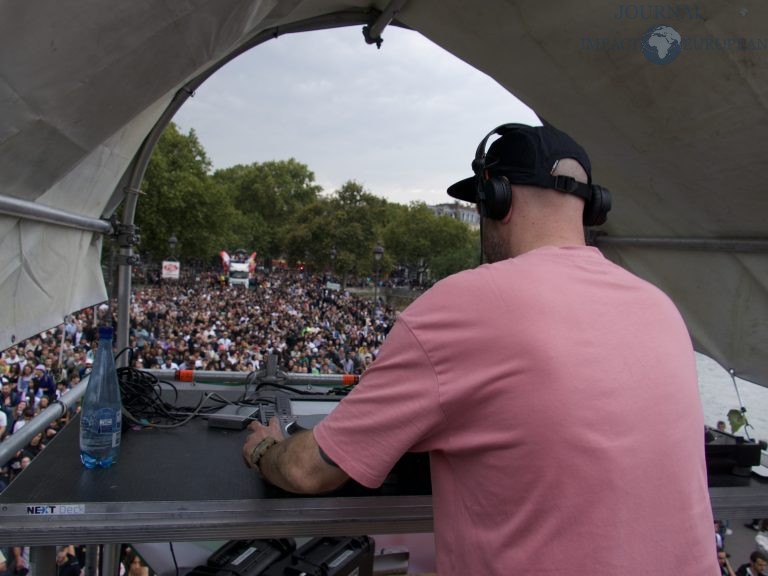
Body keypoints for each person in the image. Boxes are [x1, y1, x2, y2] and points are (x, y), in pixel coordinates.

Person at [242, 122, 719, 575]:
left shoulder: (464, 301)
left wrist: (264, 448)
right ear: (591, 209)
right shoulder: (660, 306)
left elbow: (309, 471)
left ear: (497, 198)